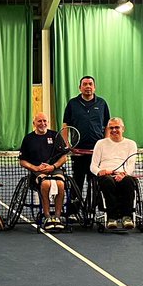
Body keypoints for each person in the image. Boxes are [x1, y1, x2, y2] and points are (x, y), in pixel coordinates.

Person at [62, 76, 110, 206]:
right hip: (78, 152)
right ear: (80, 87)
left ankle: (93, 207)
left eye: (90, 84)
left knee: (95, 180)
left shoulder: (102, 103)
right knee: (77, 180)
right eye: (85, 84)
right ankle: (73, 208)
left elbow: (107, 126)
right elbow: (65, 125)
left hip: (97, 152)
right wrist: (67, 144)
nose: (88, 86)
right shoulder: (72, 104)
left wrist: (105, 143)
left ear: (94, 87)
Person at [18, 112, 69, 230]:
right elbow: (22, 161)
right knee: (46, 184)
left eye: (45, 121)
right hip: (38, 171)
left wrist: (53, 166)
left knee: (60, 184)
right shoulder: (28, 139)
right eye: (39, 121)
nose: (42, 123)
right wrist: (35, 168)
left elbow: (64, 157)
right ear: (34, 123)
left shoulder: (55, 135)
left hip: (55, 169)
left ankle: (57, 217)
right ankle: (47, 216)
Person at [91, 117, 138, 230]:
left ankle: (127, 217)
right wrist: (100, 171)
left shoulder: (131, 144)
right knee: (107, 181)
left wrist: (124, 174)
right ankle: (111, 218)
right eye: (111, 128)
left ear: (123, 129)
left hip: (123, 175)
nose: (114, 130)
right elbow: (93, 166)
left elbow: (131, 165)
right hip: (106, 176)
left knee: (128, 181)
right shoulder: (100, 143)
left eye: (117, 127)